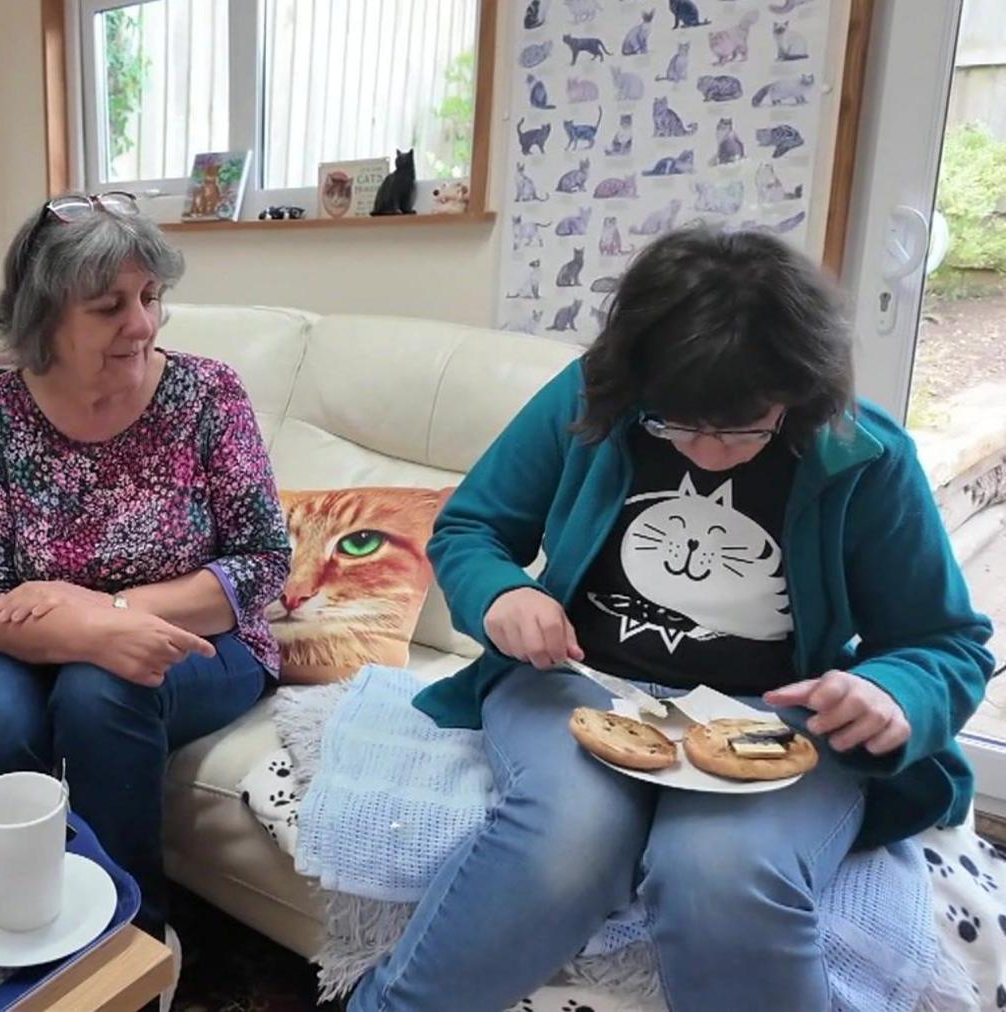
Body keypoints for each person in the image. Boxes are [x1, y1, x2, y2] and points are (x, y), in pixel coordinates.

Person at [348, 227, 995, 1011]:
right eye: (676, 425)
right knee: (568, 839)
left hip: (774, 720)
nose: (708, 454)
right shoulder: (594, 397)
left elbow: (944, 642)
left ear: (802, 389)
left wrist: (894, 693)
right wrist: (503, 596)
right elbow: (472, 528)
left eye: (745, 428)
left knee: (721, 872)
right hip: (580, 685)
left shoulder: (864, 456)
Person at [0, 192, 291, 946]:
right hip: (39, 640)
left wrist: (115, 616)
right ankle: (8, 927)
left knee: (101, 693)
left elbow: (264, 562)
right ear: (43, 320)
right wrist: (88, 629)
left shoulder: (207, 394)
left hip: (208, 641)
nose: (141, 324)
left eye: (151, 297)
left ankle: (129, 941)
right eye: (108, 307)